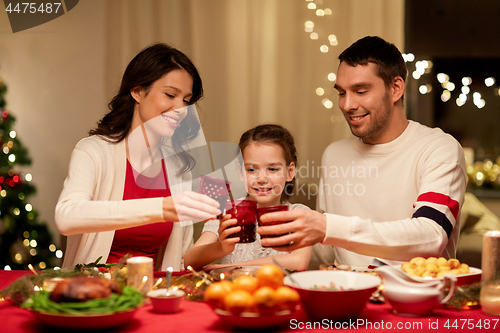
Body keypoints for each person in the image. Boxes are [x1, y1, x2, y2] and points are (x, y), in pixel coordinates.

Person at [258, 36, 467, 267]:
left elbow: (430, 236)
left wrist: (326, 226)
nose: (347, 105)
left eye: (360, 91)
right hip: (344, 294)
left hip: (412, 298)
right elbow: (327, 251)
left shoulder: (438, 149)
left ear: (396, 88)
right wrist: (243, 256)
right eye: (341, 93)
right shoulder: (334, 154)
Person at [55, 44, 221, 271]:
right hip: (93, 295)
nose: (180, 109)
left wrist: (222, 245)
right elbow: (66, 217)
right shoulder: (93, 151)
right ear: (137, 92)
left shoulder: (178, 167)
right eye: (170, 95)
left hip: (151, 295)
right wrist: (161, 208)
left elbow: (181, 259)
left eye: (186, 100)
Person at [184, 124, 312, 271]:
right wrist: (222, 247)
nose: (262, 178)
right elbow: (189, 260)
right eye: (252, 169)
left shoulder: (299, 214)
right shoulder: (228, 212)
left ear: (290, 172)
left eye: (272, 169)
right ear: (241, 172)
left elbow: (298, 261)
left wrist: (231, 267)